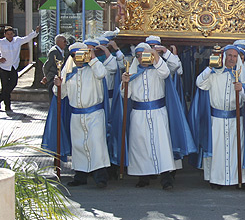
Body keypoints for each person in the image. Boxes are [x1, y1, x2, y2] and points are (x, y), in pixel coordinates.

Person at [194, 45, 245, 189]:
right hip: (217, 119)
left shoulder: (241, 75)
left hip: (235, 119)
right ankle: (216, 179)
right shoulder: (214, 74)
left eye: (235, 56)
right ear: (223, 57)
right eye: (229, 56)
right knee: (217, 149)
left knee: (236, 149)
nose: (232, 59)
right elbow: (200, 83)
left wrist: (241, 90)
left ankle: (239, 179)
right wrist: (210, 67)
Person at [53, 42, 111, 188]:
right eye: (74, 55)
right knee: (79, 145)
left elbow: (102, 73)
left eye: (80, 54)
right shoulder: (69, 72)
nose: (78, 58)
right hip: (76, 114)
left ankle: (101, 176)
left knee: (96, 143)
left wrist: (92, 58)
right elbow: (61, 94)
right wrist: (58, 84)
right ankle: (80, 175)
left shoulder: (94, 69)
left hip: (94, 113)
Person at [121, 43, 177, 190]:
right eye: (138, 56)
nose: (141, 58)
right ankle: (143, 176)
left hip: (158, 112)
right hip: (138, 113)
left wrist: (156, 55)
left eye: (144, 55)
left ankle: (166, 177)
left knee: (162, 145)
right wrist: (125, 83)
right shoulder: (133, 73)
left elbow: (165, 73)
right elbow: (126, 95)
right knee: (140, 145)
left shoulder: (158, 70)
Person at [0, 25, 40, 111]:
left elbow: (27, 38)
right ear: (5, 35)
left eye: (11, 34)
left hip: (13, 67)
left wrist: (36, 32)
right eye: (8, 34)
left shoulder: (17, 40)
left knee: (13, 84)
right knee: (5, 86)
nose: (10, 36)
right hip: (4, 67)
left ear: (13, 34)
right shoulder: (0, 42)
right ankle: (7, 106)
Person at [42, 34, 69, 101]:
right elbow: (47, 65)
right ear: (59, 42)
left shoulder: (63, 51)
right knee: (53, 98)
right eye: (64, 41)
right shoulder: (54, 51)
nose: (66, 43)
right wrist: (48, 77)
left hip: (60, 78)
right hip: (53, 78)